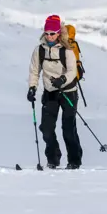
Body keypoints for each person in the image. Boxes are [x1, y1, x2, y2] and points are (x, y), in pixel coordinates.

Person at [27, 14, 82, 169]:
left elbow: (72, 71)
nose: (49, 36)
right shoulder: (39, 50)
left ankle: (74, 161)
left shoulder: (67, 50)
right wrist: (32, 87)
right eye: (47, 33)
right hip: (50, 93)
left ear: (58, 33)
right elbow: (34, 71)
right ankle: (53, 158)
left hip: (68, 92)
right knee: (46, 128)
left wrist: (62, 80)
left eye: (52, 33)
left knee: (68, 129)